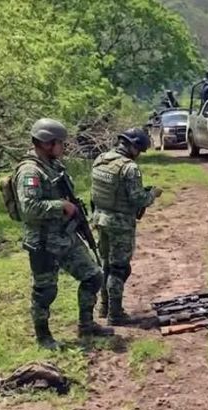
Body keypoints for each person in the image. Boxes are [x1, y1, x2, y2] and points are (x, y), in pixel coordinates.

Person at [14, 119, 114, 348]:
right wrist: (61, 206)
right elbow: (28, 208)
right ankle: (44, 337)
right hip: (43, 242)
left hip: (65, 236)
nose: (64, 147)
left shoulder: (54, 165)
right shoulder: (30, 171)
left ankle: (86, 325)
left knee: (93, 276)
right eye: (61, 143)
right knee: (45, 292)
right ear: (48, 143)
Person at [91, 128, 162, 324]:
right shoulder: (129, 168)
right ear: (132, 146)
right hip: (120, 225)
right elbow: (138, 198)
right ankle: (115, 314)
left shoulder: (101, 159)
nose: (139, 154)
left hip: (100, 219)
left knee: (105, 265)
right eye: (139, 150)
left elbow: (96, 193)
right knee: (118, 269)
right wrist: (153, 194)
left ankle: (103, 308)